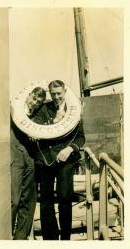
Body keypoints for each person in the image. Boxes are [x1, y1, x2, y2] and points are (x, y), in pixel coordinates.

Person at [34, 80, 85, 240]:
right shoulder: (43, 109)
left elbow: (81, 137)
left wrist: (69, 149)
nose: (56, 97)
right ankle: (50, 239)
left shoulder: (74, 110)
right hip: (45, 160)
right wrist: (54, 120)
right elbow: (35, 128)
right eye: (53, 94)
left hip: (66, 160)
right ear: (49, 93)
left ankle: (65, 239)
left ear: (65, 92)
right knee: (46, 201)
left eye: (59, 94)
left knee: (64, 199)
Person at [11, 87, 46, 240]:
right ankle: (5, 234)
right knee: (14, 199)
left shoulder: (38, 115)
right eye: (33, 99)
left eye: (38, 102)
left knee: (29, 199)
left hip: (31, 158)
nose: (34, 103)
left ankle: (20, 237)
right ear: (29, 96)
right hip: (15, 156)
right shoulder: (14, 110)